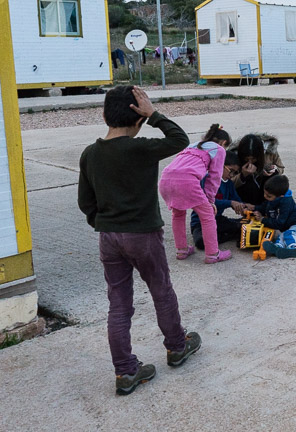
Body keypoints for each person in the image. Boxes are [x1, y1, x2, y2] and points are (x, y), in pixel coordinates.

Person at [77, 86, 201, 396]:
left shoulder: (90, 154)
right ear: (138, 119)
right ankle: (176, 347)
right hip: (143, 235)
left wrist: (102, 223)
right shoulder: (141, 148)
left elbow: (85, 202)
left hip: (108, 238)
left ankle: (126, 372)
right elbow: (181, 141)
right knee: (161, 291)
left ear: (104, 115)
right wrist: (155, 114)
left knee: (118, 306)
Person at [158, 124, 233, 264]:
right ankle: (212, 254)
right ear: (223, 143)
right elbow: (214, 177)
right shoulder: (219, 149)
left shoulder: (192, 145)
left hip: (165, 179)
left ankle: (182, 250)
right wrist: (210, 201)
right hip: (187, 181)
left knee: (178, 214)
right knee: (207, 215)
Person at [190, 150, 249, 251]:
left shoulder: (229, 183)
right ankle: (231, 231)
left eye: (235, 173)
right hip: (200, 222)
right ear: (220, 165)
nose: (232, 175)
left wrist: (244, 207)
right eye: (230, 170)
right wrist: (230, 203)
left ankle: (233, 227)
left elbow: (236, 199)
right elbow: (207, 202)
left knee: (233, 225)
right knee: (201, 242)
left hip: (217, 220)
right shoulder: (207, 179)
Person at [254, 175, 296, 259]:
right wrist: (254, 208)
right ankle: (277, 248)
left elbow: (279, 224)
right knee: (282, 236)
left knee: (289, 234)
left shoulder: (285, 203)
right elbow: (266, 206)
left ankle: (293, 248)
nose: (265, 196)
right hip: (292, 226)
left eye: (269, 196)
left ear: (281, 196)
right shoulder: (274, 199)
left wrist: (263, 220)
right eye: (264, 193)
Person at [234, 133, 284, 205]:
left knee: (275, 177)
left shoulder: (270, 152)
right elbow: (228, 182)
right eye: (246, 159)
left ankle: (269, 209)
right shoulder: (234, 155)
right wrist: (242, 175)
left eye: (253, 159)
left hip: (264, 186)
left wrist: (274, 170)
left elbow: (281, 168)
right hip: (245, 192)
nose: (250, 162)